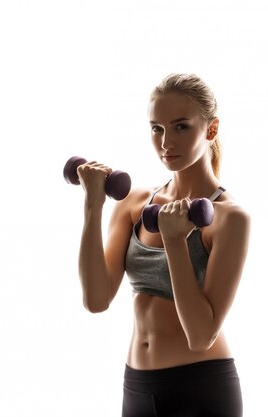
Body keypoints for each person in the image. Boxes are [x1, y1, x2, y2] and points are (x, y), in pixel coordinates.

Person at [76, 73, 250, 417]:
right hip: (137, 385)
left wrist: (175, 241)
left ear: (211, 130)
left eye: (181, 126)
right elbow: (96, 300)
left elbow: (201, 336)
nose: (166, 141)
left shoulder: (229, 218)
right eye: (157, 128)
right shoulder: (134, 204)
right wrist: (93, 205)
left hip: (200, 387)